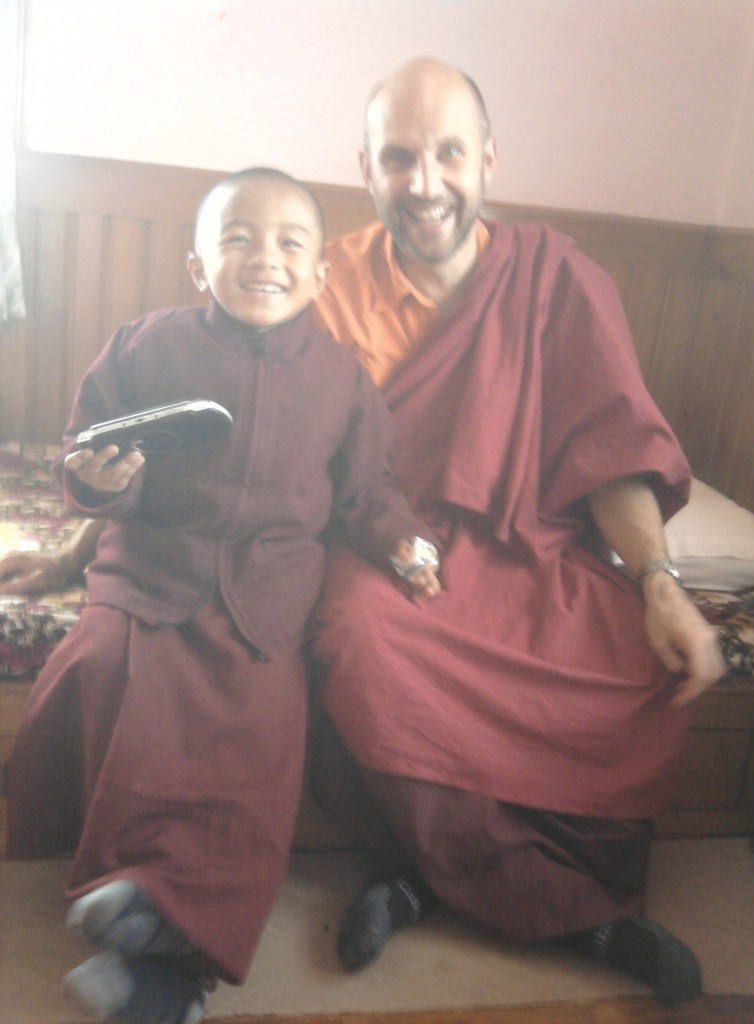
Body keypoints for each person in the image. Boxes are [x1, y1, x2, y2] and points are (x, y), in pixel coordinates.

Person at [1, 58, 726, 1005]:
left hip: (528, 546)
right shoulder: (321, 282)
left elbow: (613, 443)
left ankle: (445, 880)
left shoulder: (557, 279)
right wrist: (80, 541)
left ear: (488, 160)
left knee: (634, 655)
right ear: (368, 168)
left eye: (449, 154)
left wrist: (661, 583)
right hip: (376, 549)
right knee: (355, 636)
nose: (425, 182)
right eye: (398, 158)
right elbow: (206, 454)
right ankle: (509, 896)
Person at [4, 166, 440, 1024]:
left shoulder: (342, 380)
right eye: (237, 239)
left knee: (262, 742)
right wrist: (97, 482)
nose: (264, 257)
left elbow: (368, 491)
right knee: (108, 670)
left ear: (320, 274)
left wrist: (404, 543)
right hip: (150, 573)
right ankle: (138, 899)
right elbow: (88, 457)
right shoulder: (144, 347)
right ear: (200, 266)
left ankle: (158, 941)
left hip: (267, 599)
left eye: (289, 243)